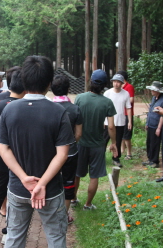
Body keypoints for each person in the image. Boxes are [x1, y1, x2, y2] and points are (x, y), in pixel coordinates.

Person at [0, 55, 85, 248]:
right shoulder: (58, 112)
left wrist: (24, 178)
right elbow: (62, 153)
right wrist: (42, 182)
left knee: (15, 234)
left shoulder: (9, 109)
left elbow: (3, 149)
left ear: (24, 80)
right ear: (49, 82)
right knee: (55, 236)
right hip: (51, 190)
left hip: (18, 189)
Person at [0, 67, 25, 244]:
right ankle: (9, 232)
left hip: (0, 155)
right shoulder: (26, 107)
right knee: (16, 194)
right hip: (21, 159)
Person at [73, 69, 117, 210]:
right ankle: (88, 204)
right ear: (104, 85)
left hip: (80, 143)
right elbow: (111, 127)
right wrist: (114, 143)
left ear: (90, 82)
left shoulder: (79, 98)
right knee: (94, 176)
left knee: (76, 174)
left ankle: (73, 199)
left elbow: (74, 119)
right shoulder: (107, 102)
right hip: (97, 145)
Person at [51, 74, 82, 221]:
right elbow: (79, 133)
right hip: (70, 152)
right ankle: (64, 215)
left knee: (51, 180)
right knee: (68, 183)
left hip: (51, 153)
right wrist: (69, 143)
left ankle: (50, 213)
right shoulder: (75, 109)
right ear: (68, 89)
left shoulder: (48, 108)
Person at [104, 74, 132, 167]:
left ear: (122, 83)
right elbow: (103, 108)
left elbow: (128, 108)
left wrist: (129, 121)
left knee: (118, 141)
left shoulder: (126, 93)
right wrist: (102, 120)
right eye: (114, 82)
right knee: (104, 140)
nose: (116, 84)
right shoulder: (107, 93)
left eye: (118, 82)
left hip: (120, 121)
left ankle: (116, 158)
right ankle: (100, 157)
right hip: (108, 121)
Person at [142, 81, 163, 167]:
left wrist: (159, 128)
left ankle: (155, 161)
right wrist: (147, 123)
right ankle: (150, 159)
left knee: (155, 143)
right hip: (150, 124)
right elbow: (150, 111)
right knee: (149, 143)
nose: (152, 91)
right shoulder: (154, 98)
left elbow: (162, 115)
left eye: (154, 90)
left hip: (156, 125)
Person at [117, 70, 135, 160]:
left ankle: (129, 153)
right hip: (120, 113)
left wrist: (121, 101)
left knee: (127, 135)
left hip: (127, 114)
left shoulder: (129, 87)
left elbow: (131, 99)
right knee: (121, 133)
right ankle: (122, 150)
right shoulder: (119, 88)